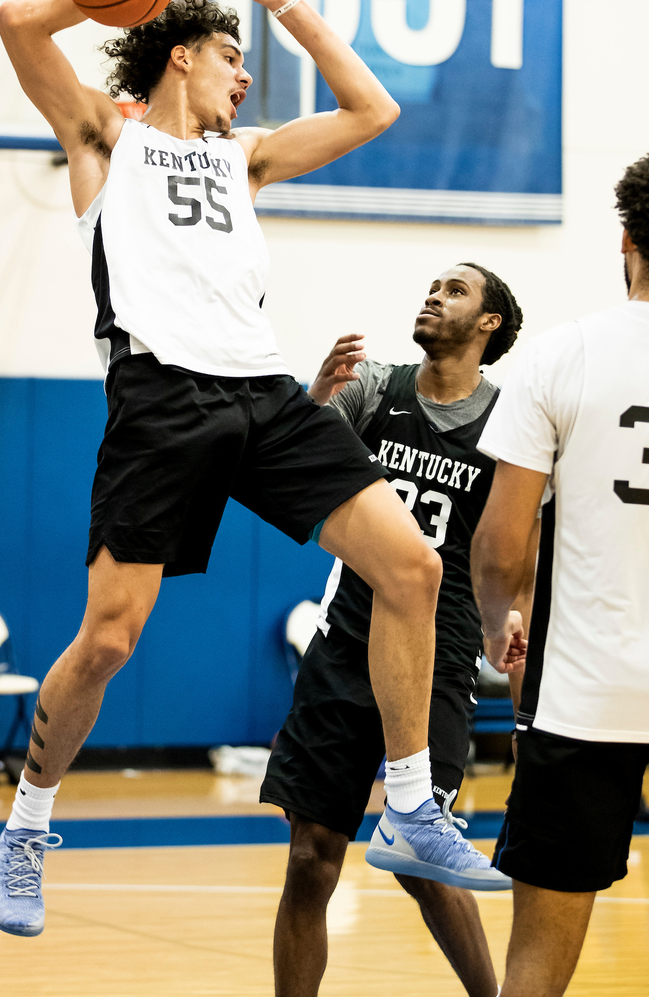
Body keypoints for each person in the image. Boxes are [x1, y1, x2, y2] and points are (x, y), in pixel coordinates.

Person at [0, 0, 484, 937]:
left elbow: (370, 107)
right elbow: (17, 22)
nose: (243, 77)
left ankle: (407, 800)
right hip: (160, 402)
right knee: (109, 637)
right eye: (230, 53)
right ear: (179, 51)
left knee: (412, 568)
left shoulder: (243, 159)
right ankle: (28, 823)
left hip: (264, 393)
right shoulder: (103, 135)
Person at [262, 262, 529, 997]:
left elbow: (515, 556)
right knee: (310, 855)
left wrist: (516, 633)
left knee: (423, 862)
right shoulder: (375, 386)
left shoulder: (510, 422)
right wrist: (314, 400)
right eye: (431, 285)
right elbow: (290, 463)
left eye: (454, 291)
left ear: (488, 324)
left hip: (438, 650)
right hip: (348, 634)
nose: (432, 295)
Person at [471, 156, 649, 997]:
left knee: (537, 965)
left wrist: (501, 627)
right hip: (589, 695)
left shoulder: (558, 356)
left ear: (625, 242)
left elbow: (502, 547)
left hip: (584, 697)